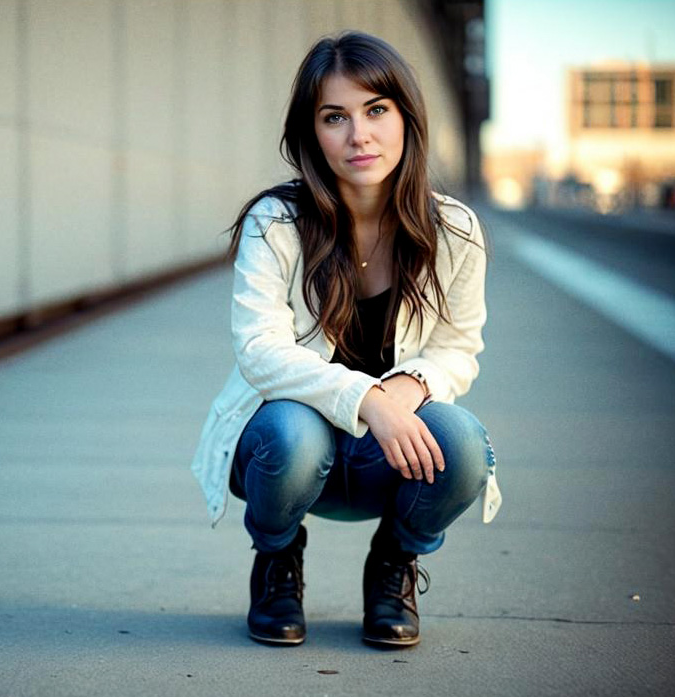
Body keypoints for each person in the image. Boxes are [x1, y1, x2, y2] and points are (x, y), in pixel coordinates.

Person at [190, 31, 502, 648]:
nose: (359, 136)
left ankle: (394, 562)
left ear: (407, 118)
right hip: (289, 457)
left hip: (390, 458)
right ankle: (278, 557)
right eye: (335, 117)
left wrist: (408, 390)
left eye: (376, 110)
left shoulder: (456, 231)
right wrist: (368, 402)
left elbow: (459, 348)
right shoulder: (275, 222)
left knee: (463, 445)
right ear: (312, 133)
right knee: (289, 431)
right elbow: (260, 349)